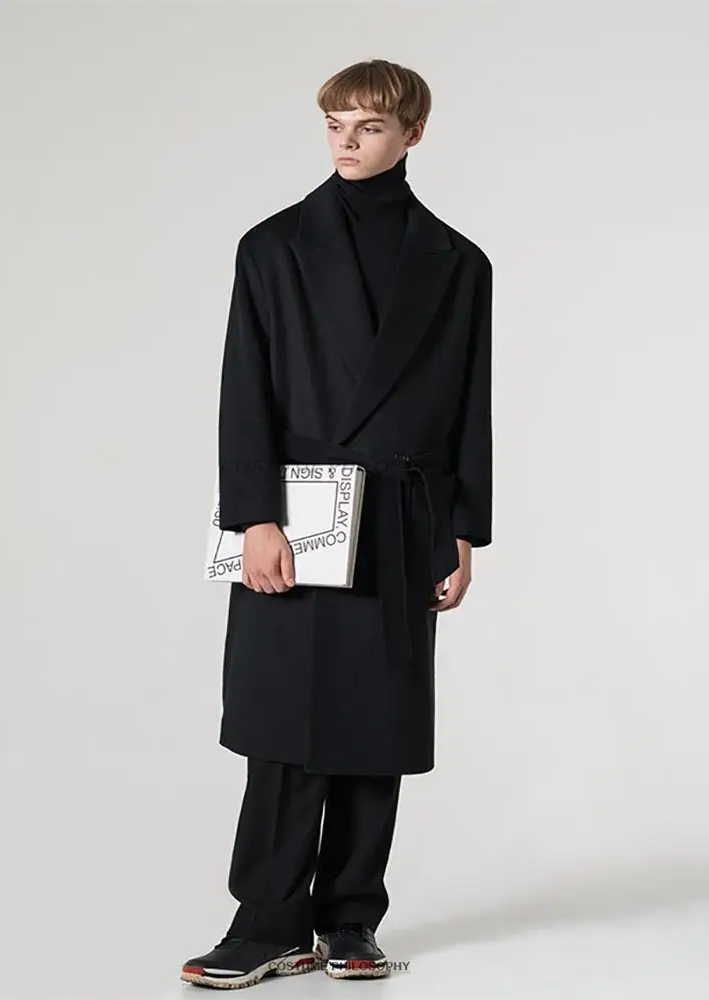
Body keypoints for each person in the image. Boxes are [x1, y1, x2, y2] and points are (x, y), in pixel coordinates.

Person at [181, 58, 493, 990]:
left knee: (375, 724)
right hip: (301, 513)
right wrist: (255, 517)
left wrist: (462, 528)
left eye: (369, 127)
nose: (347, 142)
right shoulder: (272, 247)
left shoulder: (459, 262)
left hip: (401, 516)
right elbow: (244, 391)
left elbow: (469, 405)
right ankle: (266, 924)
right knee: (284, 724)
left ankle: (351, 919)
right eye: (334, 125)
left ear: (413, 134)